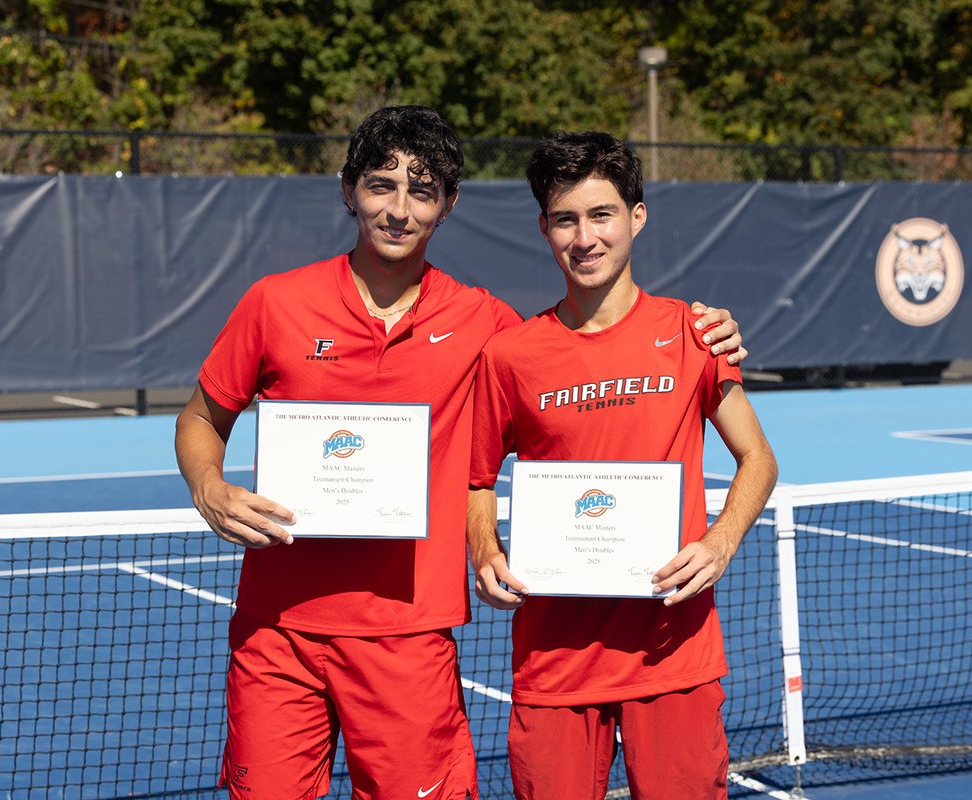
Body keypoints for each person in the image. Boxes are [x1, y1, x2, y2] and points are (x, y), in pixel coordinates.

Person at [175, 106, 747, 800]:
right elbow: (201, 418)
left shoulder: (487, 325)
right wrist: (208, 487)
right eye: (381, 186)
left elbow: (576, 358)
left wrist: (707, 331)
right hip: (276, 635)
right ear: (349, 189)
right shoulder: (275, 303)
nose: (399, 210)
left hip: (410, 638)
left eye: (421, 191)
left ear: (447, 204)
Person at [466, 131, 778, 800]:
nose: (585, 238)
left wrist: (720, 543)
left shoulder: (695, 334)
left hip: (673, 655)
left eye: (601, 215)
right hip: (554, 662)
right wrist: (484, 549)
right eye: (566, 219)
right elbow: (476, 477)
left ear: (636, 217)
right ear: (545, 229)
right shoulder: (510, 355)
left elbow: (758, 458)